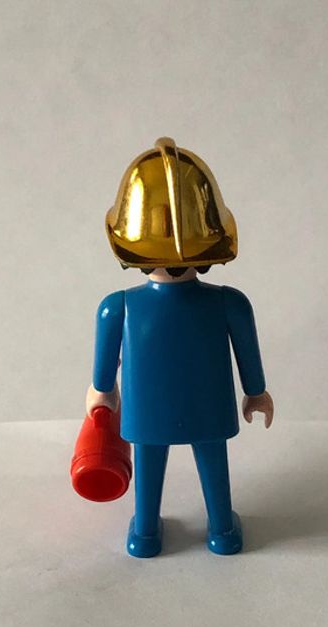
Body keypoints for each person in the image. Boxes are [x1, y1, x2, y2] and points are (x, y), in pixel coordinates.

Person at [86, 138, 273, 557]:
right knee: (213, 462)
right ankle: (222, 532)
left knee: (149, 464)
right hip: (208, 407)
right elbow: (248, 355)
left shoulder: (117, 308)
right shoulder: (230, 303)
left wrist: (101, 393)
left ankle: (145, 535)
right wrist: (256, 393)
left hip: (147, 411)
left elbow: (103, 378)